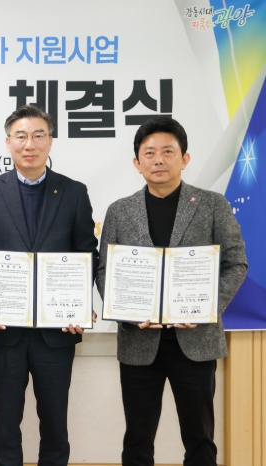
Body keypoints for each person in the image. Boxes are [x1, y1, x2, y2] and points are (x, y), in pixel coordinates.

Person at [96, 116, 247, 466]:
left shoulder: (212, 205)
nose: (158, 160)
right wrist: (125, 311)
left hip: (195, 341)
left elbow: (236, 263)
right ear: (137, 163)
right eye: (149, 153)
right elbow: (105, 270)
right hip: (139, 340)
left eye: (168, 151)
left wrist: (207, 307)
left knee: (200, 438)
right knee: (137, 438)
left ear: (185, 158)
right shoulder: (119, 211)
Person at [0, 105, 99, 466]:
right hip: (5, 329)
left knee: (55, 424)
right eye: (21, 136)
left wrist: (79, 302)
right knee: (6, 424)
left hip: (57, 331)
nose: (30, 144)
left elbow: (87, 253)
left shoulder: (74, 192)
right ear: (8, 142)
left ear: (50, 141)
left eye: (39, 135)